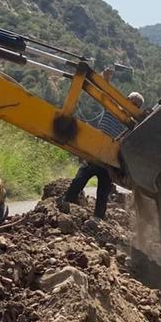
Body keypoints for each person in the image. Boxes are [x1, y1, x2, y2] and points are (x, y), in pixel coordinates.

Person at [64, 77, 144, 219]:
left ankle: (98, 219)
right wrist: (106, 77)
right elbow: (103, 92)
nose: (133, 106)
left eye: (136, 106)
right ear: (126, 100)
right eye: (132, 103)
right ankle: (65, 206)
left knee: (103, 193)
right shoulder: (111, 108)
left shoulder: (131, 126)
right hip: (94, 155)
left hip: (109, 162)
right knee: (79, 181)